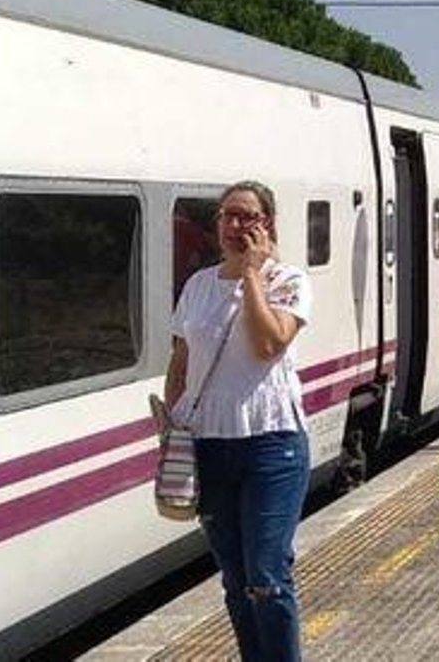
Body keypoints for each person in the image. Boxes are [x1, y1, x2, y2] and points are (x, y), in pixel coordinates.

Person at [165, 181, 313, 662]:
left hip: (274, 444)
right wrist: (172, 429)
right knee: (235, 580)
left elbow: (268, 344)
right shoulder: (198, 285)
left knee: (267, 577)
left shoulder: (288, 280)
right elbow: (180, 363)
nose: (235, 225)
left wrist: (251, 276)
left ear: (267, 223)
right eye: (227, 215)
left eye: (248, 216)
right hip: (210, 445)